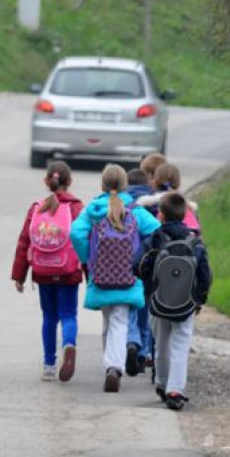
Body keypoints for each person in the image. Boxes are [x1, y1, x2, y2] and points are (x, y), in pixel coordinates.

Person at [70, 164, 160, 392]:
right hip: (128, 275)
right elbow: (157, 231)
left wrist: (87, 259)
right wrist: (143, 257)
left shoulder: (93, 209)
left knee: (108, 319)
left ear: (102, 184)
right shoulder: (135, 210)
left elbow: (76, 232)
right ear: (125, 185)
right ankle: (114, 367)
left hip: (100, 274)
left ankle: (110, 364)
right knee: (120, 320)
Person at [137, 192, 212, 410]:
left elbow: (138, 264)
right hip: (186, 304)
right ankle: (175, 390)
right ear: (186, 214)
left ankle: (161, 383)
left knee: (161, 344)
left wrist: (149, 288)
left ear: (160, 215)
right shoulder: (195, 242)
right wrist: (199, 299)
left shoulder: (155, 239)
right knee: (180, 345)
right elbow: (205, 275)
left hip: (158, 301)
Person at [12, 161, 85, 382]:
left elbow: (24, 241)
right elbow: (85, 240)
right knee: (68, 314)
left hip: (43, 270)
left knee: (49, 317)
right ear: (70, 181)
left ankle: (49, 365)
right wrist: (91, 272)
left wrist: (19, 275)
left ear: (46, 181)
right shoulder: (76, 207)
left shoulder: (37, 208)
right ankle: (69, 344)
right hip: (68, 271)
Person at [125, 167, 155, 375]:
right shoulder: (154, 203)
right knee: (146, 309)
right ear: (149, 183)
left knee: (129, 310)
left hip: (124, 266)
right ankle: (144, 351)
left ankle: (131, 341)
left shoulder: (124, 205)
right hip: (148, 266)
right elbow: (157, 230)